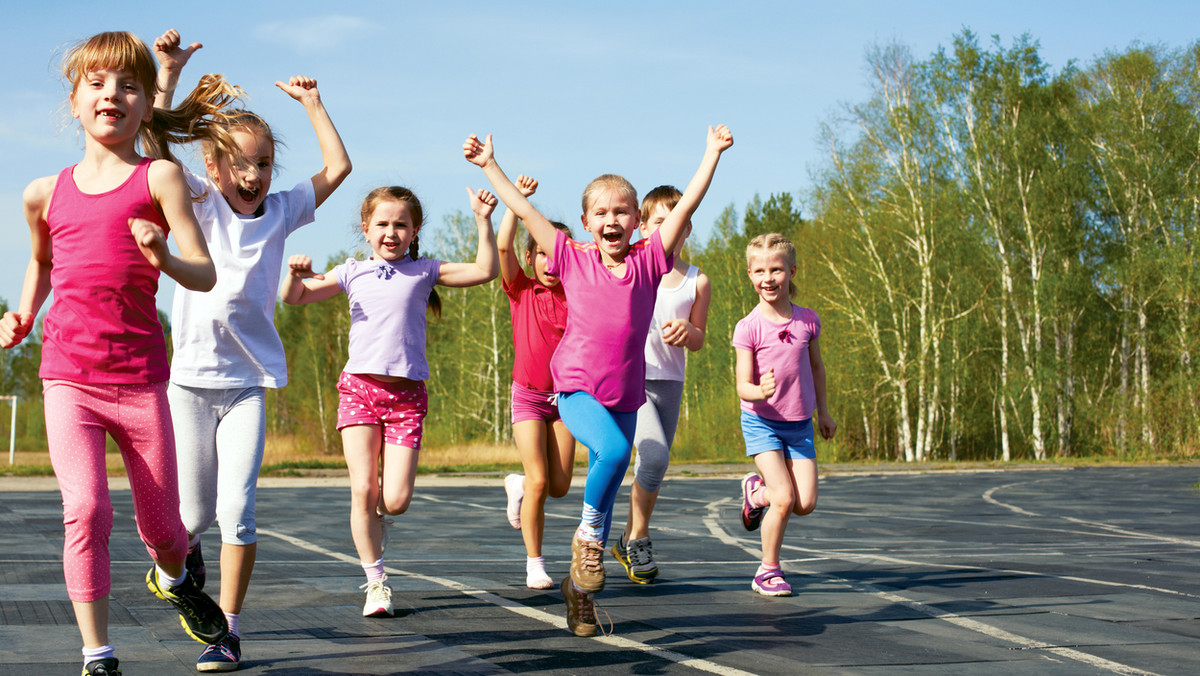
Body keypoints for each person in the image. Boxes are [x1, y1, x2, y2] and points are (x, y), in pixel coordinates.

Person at [0, 31, 234, 676]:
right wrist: (23, 313)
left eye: (129, 85)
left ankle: (177, 575)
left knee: (162, 531)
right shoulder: (42, 193)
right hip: (67, 377)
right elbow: (42, 262)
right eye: (97, 84)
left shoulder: (159, 177)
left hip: (138, 382)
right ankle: (97, 653)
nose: (113, 94)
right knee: (86, 511)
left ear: (143, 105)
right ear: (73, 102)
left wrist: (163, 255)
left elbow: (205, 272)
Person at [463, 124, 732, 637]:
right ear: (587, 222)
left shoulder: (651, 261)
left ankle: (580, 594)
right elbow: (525, 212)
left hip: (627, 395)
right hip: (575, 390)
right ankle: (586, 542)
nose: (612, 220)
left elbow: (687, 203)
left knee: (605, 495)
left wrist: (710, 154)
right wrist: (489, 166)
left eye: (622, 212)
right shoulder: (570, 256)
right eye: (601, 213)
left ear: (637, 222)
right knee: (613, 455)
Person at [150, 29, 352, 671]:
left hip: (246, 384)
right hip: (189, 382)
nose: (251, 174)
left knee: (238, 512)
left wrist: (313, 104)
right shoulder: (200, 201)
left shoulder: (284, 210)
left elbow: (338, 169)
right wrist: (167, 70)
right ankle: (178, 568)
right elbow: (151, 144)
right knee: (191, 516)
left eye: (262, 163)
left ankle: (226, 632)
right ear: (212, 168)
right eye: (238, 163)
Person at [282, 185, 498, 618]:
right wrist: (295, 273)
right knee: (362, 490)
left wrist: (482, 219)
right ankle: (376, 581)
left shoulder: (425, 271)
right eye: (382, 224)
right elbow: (295, 297)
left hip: (406, 397)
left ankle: (381, 513)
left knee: (394, 501)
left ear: (414, 229)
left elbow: (485, 270)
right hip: (359, 389)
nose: (391, 232)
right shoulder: (350, 271)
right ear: (366, 229)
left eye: (401, 224)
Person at [610, 185, 711, 584]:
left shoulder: (697, 282)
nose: (669, 229)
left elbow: (701, 339)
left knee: (651, 467)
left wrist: (689, 330)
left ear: (688, 229)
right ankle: (638, 538)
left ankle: (628, 539)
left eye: (677, 221)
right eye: (659, 222)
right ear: (642, 228)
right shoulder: (630, 269)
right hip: (631, 378)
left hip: (670, 381)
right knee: (653, 460)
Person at [734, 233, 836, 597]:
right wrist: (758, 391)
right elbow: (742, 385)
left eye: (776, 269)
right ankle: (768, 570)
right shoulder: (748, 327)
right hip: (761, 422)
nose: (768, 278)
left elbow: (818, 368)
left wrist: (824, 413)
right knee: (784, 498)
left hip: (799, 424)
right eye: (760, 270)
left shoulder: (807, 322)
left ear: (791, 271)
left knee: (804, 503)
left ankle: (755, 494)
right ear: (749, 274)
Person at [495, 174, 577, 590]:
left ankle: (518, 485)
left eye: (556, 254)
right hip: (528, 396)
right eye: (541, 253)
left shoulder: (579, 298)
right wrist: (517, 203)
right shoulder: (520, 290)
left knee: (559, 486)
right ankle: (534, 562)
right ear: (531, 258)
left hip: (566, 400)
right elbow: (503, 246)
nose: (549, 261)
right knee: (541, 481)